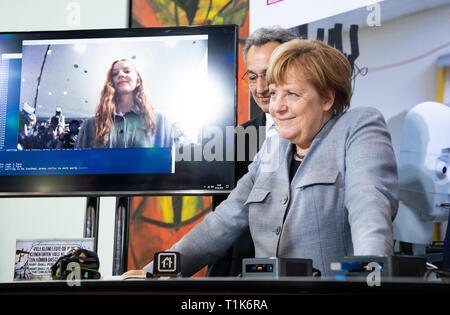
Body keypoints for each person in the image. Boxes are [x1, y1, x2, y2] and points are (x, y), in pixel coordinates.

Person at [124, 39, 398, 278]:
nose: (277, 106)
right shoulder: (274, 146)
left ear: (327, 98)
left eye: (292, 93)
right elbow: (222, 223)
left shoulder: (358, 126)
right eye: (276, 92)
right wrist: (155, 272)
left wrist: (370, 277)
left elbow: (369, 207)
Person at [207, 27, 297, 277]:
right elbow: (222, 223)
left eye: (268, 75)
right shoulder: (234, 140)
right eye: (253, 77)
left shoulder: (324, 136)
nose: (261, 88)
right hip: (243, 278)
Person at [75, 59, 174, 149]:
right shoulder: (91, 125)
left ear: (138, 80)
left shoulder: (160, 121)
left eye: (127, 71)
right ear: (111, 82)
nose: (121, 75)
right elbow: (78, 164)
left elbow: (174, 163)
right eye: (115, 73)